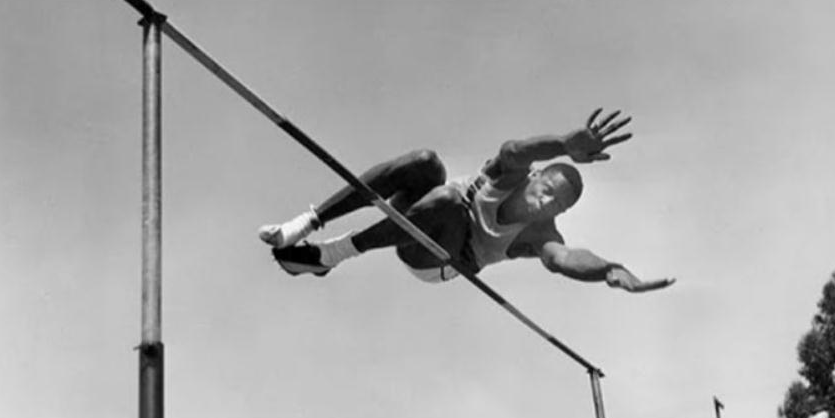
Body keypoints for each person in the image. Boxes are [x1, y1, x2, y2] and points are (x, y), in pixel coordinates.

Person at [259, 111, 673, 294]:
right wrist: (564, 144)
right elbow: (515, 149)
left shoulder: (541, 235)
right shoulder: (510, 172)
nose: (547, 203)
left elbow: (565, 260)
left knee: (446, 203)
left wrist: (608, 270)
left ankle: (334, 254)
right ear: (535, 176)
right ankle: (310, 223)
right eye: (547, 189)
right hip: (423, 217)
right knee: (424, 163)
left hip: (440, 260)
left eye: (557, 205)